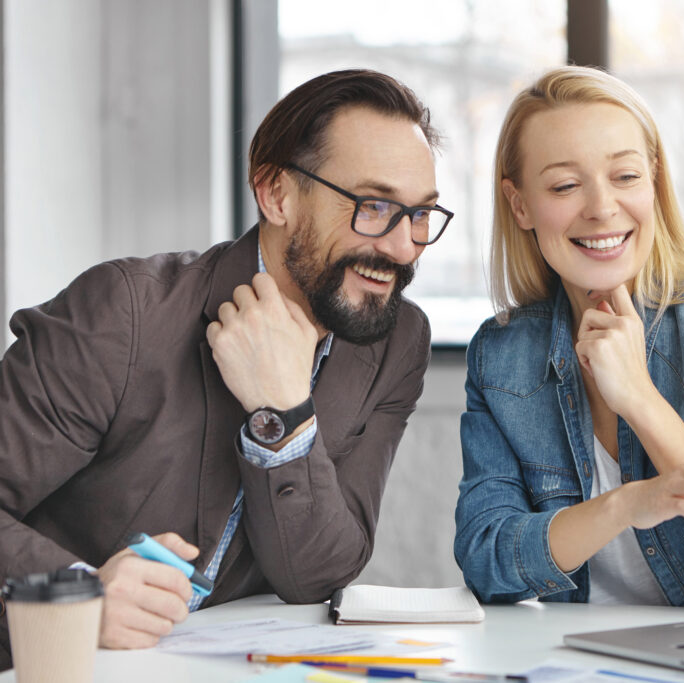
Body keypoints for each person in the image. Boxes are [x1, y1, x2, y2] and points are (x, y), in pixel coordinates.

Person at [0, 69, 452, 668]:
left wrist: (284, 411)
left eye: (420, 216)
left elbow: (318, 575)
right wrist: (77, 595)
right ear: (275, 194)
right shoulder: (125, 313)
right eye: (373, 207)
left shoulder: (395, 342)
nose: (403, 248)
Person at [454, 66, 684, 609]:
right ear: (520, 204)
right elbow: (486, 561)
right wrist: (625, 505)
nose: (601, 207)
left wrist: (642, 402)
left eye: (624, 176)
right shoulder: (501, 355)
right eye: (564, 185)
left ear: (653, 181)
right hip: (572, 663)